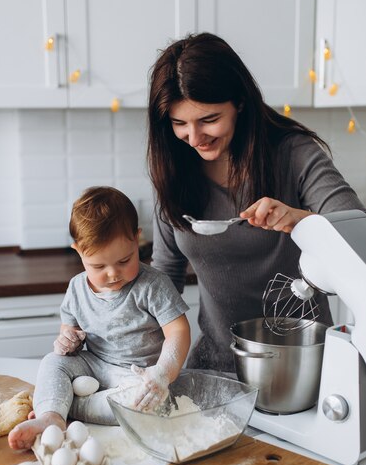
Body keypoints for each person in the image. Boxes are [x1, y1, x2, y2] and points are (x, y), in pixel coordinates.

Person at [147, 32, 365, 373]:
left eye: (208, 120)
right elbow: (163, 278)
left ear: (240, 103)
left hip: (304, 367)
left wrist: (301, 222)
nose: (194, 137)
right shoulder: (174, 168)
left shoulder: (294, 154)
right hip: (215, 367)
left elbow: (355, 233)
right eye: (179, 124)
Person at [8, 186, 190, 450]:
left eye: (125, 260)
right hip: (94, 364)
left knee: (145, 403)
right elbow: (69, 329)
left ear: (137, 239)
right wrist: (67, 340)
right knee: (53, 362)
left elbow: (179, 331)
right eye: (98, 266)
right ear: (78, 251)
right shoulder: (77, 288)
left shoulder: (153, 285)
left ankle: (62, 405)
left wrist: (161, 374)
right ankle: (52, 416)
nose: (113, 274)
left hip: (138, 373)